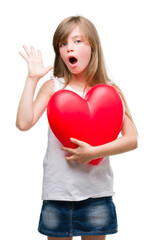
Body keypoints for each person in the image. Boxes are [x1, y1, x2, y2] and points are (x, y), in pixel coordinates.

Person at [16, 16, 138, 240]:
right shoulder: (53, 86)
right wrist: (32, 79)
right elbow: (24, 123)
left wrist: (94, 152)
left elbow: (131, 139)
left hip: (97, 194)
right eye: (63, 44)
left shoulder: (110, 91)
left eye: (77, 41)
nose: (69, 47)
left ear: (93, 45)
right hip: (57, 194)